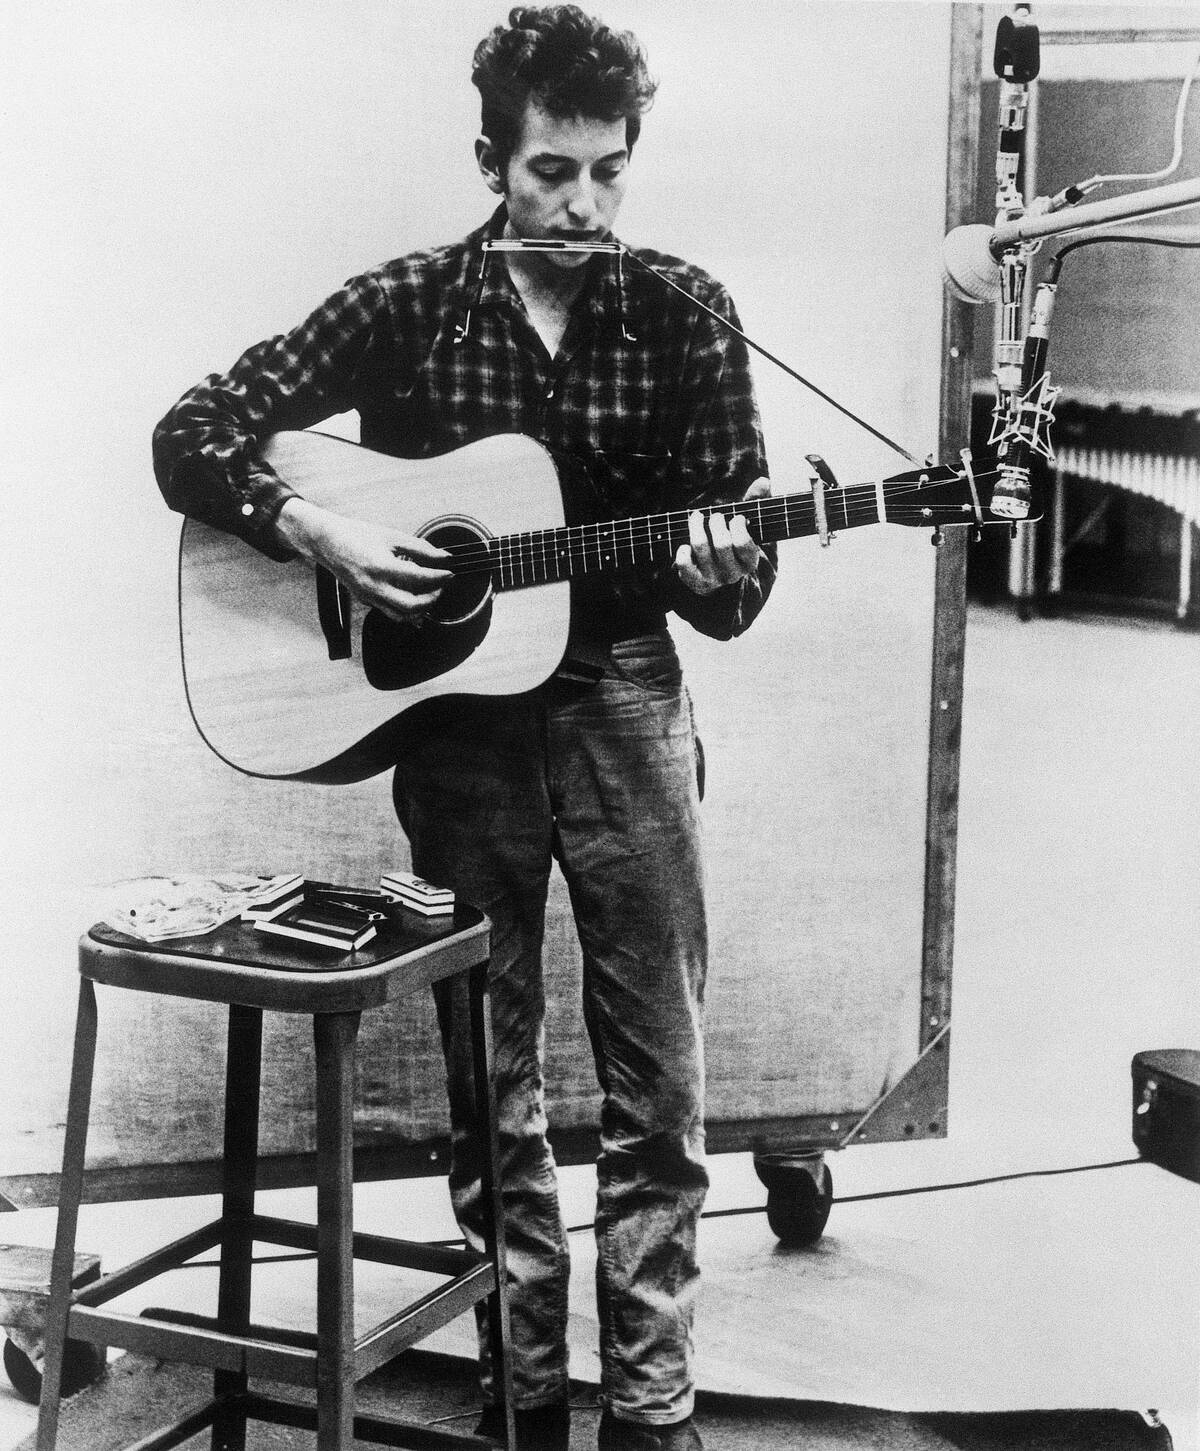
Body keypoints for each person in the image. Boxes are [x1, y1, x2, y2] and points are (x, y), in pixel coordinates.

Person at [153, 7, 776, 1447]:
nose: (582, 207)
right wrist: (322, 532)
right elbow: (192, 430)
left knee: (660, 1084)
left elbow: (736, 581)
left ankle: (653, 1399)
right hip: (463, 742)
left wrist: (720, 570)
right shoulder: (408, 302)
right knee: (491, 1091)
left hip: (625, 706)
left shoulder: (685, 308)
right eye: (552, 172)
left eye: (610, 173)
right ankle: (523, 1390)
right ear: (493, 156)